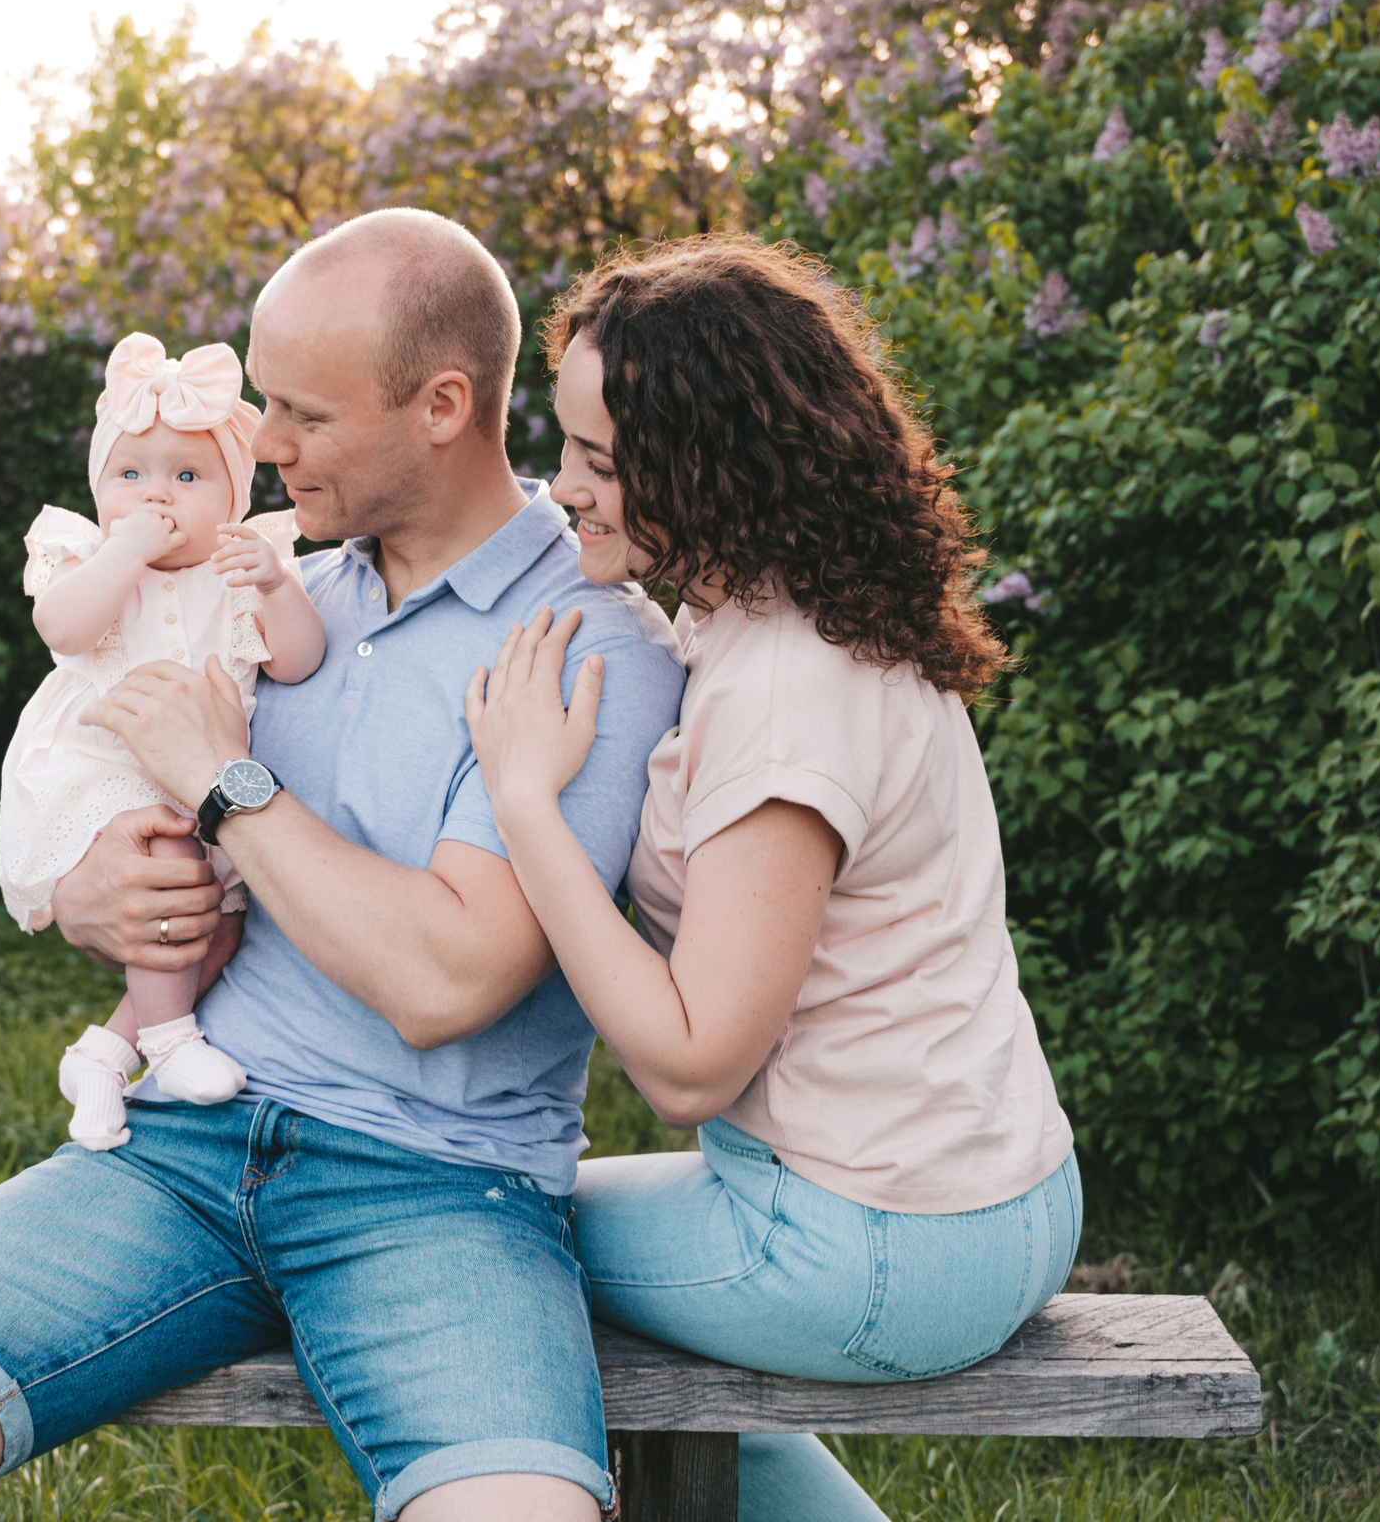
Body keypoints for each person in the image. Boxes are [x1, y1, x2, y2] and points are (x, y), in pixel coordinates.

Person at [0, 210, 686, 1522]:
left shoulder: (587, 645)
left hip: (436, 1187)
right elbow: (106, 774)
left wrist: (225, 786)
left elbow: (447, 977)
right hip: (175, 1149)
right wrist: (87, 890)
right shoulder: (270, 586)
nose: (267, 448)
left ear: (444, 407)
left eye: (303, 414)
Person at [461, 236, 1082, 1521]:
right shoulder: (789, 609)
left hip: (873, 1245)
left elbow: (693, 1068)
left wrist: (522, 804)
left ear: (709, 469)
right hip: (990, 1196)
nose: (561, 488)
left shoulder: (792, 693)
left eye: (602, 463)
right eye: (564, 445)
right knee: (510, 1240)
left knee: (475, 1252)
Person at [1, 330, 325, 1149]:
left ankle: (105, 1056)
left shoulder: (240, 567)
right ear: (99, 487)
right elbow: (63, 628)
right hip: (106, 766)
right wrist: (125, 550)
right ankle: (170, 1041)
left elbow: (297, 658)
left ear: (232, 495)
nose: (158, 498)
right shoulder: (94, 559)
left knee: (220, 928)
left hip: (202, 772)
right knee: (173, 868)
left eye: (187, 477)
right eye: (131, 476)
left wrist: (276, 585)